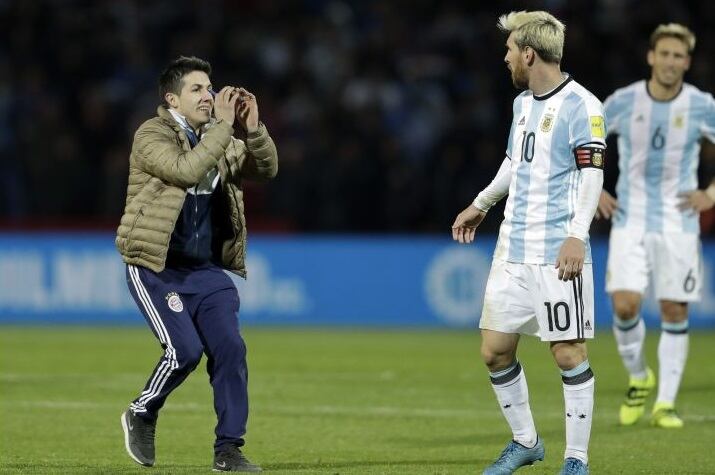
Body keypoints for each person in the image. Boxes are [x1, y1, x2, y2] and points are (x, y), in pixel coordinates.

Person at [452, 11, 605, 475]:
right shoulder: (522, 104)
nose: (505, 58)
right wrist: (482, 203)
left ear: (529, 53)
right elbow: (513, 162)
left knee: (567, 353)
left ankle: (575, 459)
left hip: (557, 252)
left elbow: (591, 175)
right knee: (495, 350)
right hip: (511, 248)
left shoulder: (584, 106)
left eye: (510, 50)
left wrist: (577, 236)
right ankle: (526, 442)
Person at [116, 56, 278, 472]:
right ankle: (142, 411)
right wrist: (224, 129)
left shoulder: (216, 135)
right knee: (183, 351)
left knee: (230, 349)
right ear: (172, 98)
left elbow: (266, 169)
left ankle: (228, 450)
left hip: (205, 270)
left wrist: (254, 127)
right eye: (197, 89)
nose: (209, 96)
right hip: (155, 264)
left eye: (210, 88)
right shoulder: (152, 134)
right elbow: (185, 170)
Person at [598, 23, 715, 429]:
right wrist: (594, 188)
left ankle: (665, 403)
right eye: (663, 53)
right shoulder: (624, 101)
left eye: (677, 55)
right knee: (625, 305)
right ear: (651, 57)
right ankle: (638, 377)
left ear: (687, 61)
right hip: (629, 219)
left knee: (673, 309)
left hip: (678, 223)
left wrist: (711, 193)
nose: (670, 61)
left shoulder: (701, 104)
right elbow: (583, 140)